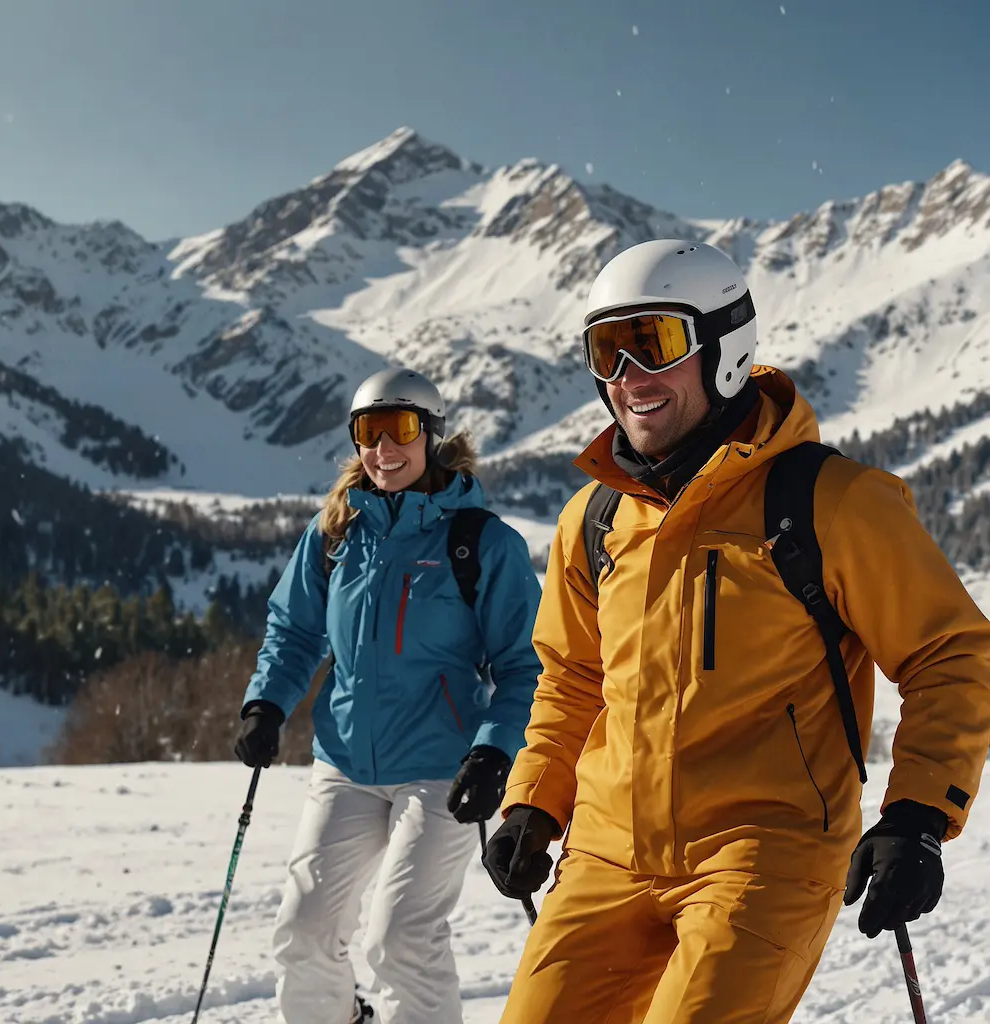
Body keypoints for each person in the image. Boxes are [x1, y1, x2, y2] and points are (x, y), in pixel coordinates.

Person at [482, 239, 990, 1023]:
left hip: (764, 851)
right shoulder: (595, 518)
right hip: (607, 850)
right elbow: (575, 678)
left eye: (653, 345)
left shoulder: (829, 499)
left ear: (724, 348)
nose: (629, 379)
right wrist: (534, 803)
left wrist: (919, 814)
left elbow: (950, 653)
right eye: (608, 351)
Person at [235, 367, 544, 1024]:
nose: (384, 449)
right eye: (368, 432)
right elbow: (294, 632)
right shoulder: (337, 533)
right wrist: (266, 705)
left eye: (400, 430)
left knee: (401, 940)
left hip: (442, 771)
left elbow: (527, 665)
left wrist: (493, 754)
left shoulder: (480, 542)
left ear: (430, 434)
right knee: (303, 934)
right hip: (345, 762)